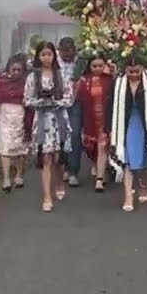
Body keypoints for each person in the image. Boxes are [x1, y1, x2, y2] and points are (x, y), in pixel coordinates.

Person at [105, 53, 147, 212]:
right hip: (124, 124)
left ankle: (144, 184)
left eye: (137, 71)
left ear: (143, 69)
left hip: (146, 123)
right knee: (126, 158)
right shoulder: (118, 82)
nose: (133, 75)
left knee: (144, 158)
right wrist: (109, 127)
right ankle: (128, 196)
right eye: (130, 71)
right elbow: (110, 104)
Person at [24, 41, 75, 212]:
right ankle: (46, 195)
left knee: (58, 157)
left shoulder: (62, 76)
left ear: (54, 56)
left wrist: (56, 101)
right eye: (43, 54)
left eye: (49, 54)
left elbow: (69, 98)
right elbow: (27, 99)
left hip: (59, 119)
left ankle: (59, 182)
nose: (46, 58)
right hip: (42, 120)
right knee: (45, 157)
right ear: (38, 57)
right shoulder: (32, 77)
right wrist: (40, 101)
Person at [0, 54, 31, 191]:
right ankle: (6, 178)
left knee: (20, 149)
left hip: (21, 118)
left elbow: (30, 101)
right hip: (4, 118)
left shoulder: (27, 82)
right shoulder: (0, 82)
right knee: (5, 149)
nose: (16, 73)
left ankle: (19, 175)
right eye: (14, 69)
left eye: (19, 70)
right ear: (8, 69)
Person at [75, 54, 114, 192]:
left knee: (103, 146)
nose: (97, 68)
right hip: (90, 119)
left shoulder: (110, 80)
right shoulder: (84, 81)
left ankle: (99, 179)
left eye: (100, 66)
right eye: (94, 66)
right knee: (93, 148)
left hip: (105, 119)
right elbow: (77, 98)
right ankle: (100, 169)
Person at [56, 38, 84, 187]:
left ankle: (73, 171)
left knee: (74, 136)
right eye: (63, 53)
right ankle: (64, 167)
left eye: (69, 53)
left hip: (75, 103)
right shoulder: (54, 61)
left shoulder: (81, 62)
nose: (66, 56)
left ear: (74, 50)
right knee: (60, 136)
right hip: (58, 105)